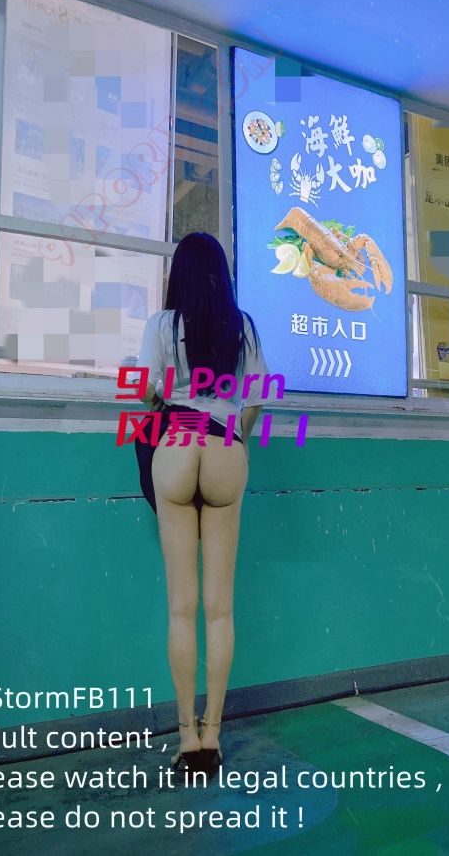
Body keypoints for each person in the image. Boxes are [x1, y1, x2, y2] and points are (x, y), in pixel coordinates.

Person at [132, 232, 269, 777]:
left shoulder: (163, 325)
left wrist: (169, 397)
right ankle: (213, 736)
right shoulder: (242, 325)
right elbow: (257, 398)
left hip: (177, 442)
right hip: (223, 444)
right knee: (220, 608)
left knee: (181, 608)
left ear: (178, 276)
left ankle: (186, 739)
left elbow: (145, 392)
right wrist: (236, 437)